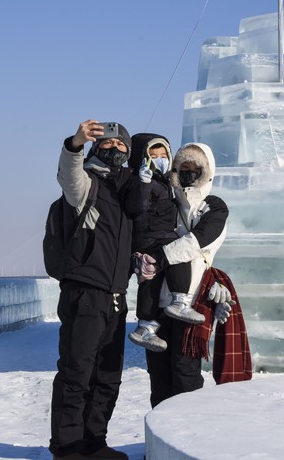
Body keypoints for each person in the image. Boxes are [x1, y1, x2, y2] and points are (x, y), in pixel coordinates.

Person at [48, 119, 133, 460]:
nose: (114, 150)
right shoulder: (87, 184)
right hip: (84, 293)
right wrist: (74, 144)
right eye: (108, 145)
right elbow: (69, 174)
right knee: (76, 374)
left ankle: (95, 442)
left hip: (116, 296)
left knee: (108, 377)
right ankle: (68, 448)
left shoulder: (127, 191)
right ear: (97, 148)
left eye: (120, 146)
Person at [133, 142, 241, 407]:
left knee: (185, 373)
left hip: (191, 301)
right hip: (158, 300)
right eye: (183, 168)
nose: (188, 173)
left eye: (195, 168)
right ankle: (160, 443)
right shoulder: (166, 201)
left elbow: (198, 241)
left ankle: (188, 434)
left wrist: (158, 256)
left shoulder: (214, 206)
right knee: (158, 375)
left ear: (207, 170)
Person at [124, 134, 202, 354]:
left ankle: (145, 325)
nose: (159, 159)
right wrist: (143, 183)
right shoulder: (139, 180)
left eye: (163, 155)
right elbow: (135, 206)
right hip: (152, 234)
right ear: (143, 158)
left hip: (156, 235)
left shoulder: (166, 180)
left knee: (150, 278)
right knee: (178, 253)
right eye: (153, 155)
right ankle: (180, 301)